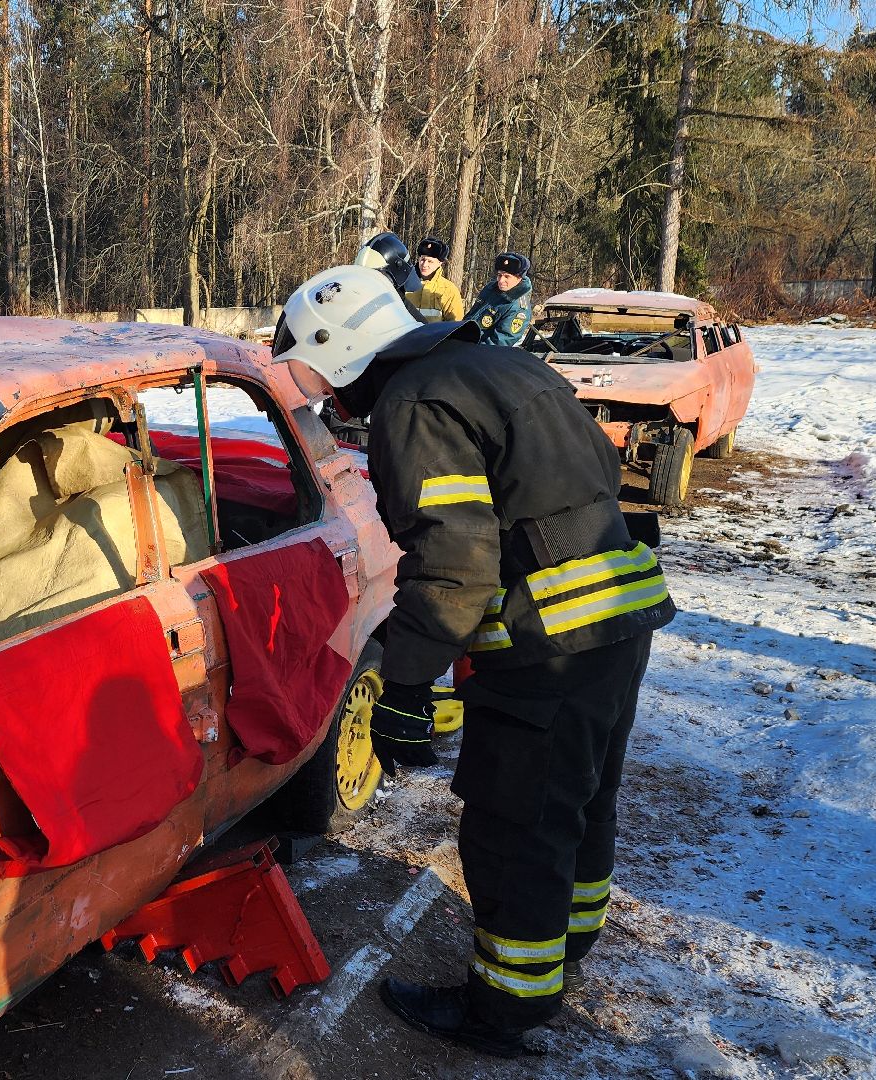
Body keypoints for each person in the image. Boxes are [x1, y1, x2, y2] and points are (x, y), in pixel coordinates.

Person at [271, 264, 674, 1059]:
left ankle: (506, 1008)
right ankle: (566, 945)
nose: (321, 396)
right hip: (618, 617)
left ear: (344, 352)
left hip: (551, 644)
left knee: (515, 826)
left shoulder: (414, 405)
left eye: (315, 371)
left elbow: (454, 561)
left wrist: (407, 682)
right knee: (581, 801)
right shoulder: (500, 361)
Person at [466, 251, 533, 347]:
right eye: (499, 275)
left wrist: (472, 350)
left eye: (507, 277)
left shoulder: (519, 308)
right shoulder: (491, 289)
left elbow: (500, 342)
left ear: (519, 278)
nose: (501, 281)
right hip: (465, 343)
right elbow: (472, 315)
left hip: (481, 354)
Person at [410, 237, 466, 322]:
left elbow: (455, 325)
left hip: (435, 335)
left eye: (430, 261)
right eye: (423, 259)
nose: (424, 265)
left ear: (440, 263)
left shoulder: (449, 290)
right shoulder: (405, 283)